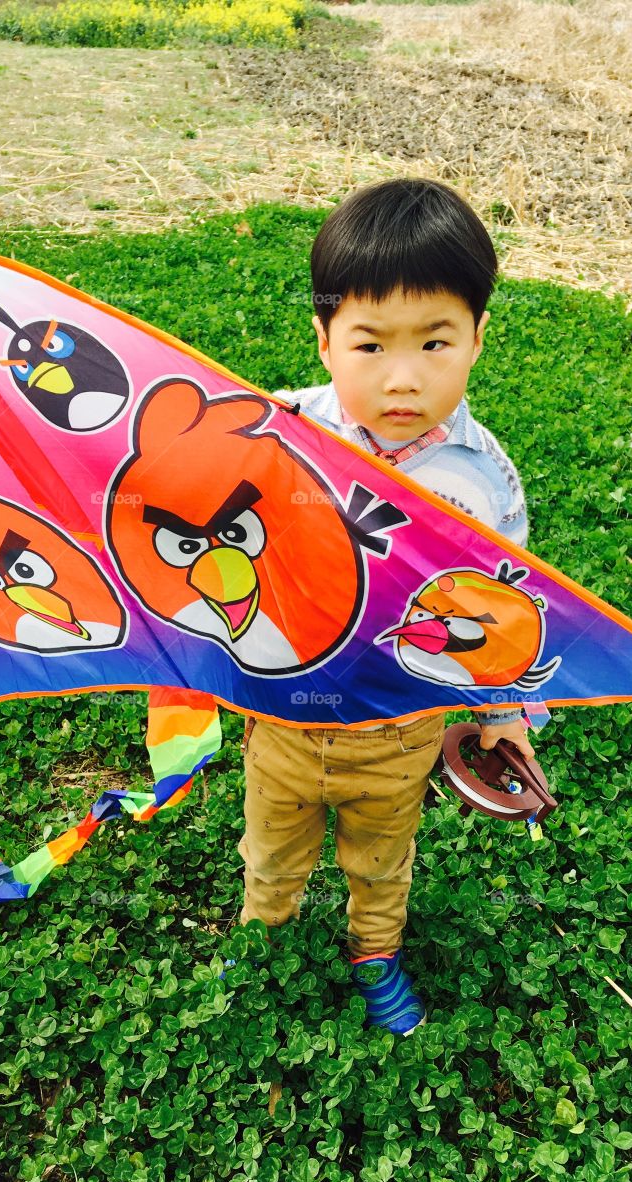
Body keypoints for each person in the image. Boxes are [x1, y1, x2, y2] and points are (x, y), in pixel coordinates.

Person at [223, 177, 537, 1036]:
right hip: (282, 715)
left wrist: (505, 715)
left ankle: (375, 949)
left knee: (381, 857)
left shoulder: (484, 481)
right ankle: (266, 934)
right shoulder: (279, 434)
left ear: (477, 337)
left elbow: (506, 612)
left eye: (435, 342)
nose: (403, 379)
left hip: (401, 733)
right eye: (370, 345)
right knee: (272, 847)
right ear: (324, 341)